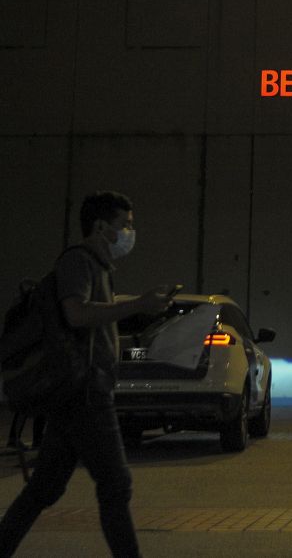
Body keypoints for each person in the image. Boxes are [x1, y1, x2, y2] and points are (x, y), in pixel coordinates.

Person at [0, 191, 175, 558]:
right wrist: (136, 304)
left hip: (77, 393)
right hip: (85, 393)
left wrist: (143, 308)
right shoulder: (79, 262)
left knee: (44, 489)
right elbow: (76, 314)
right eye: (124, 224)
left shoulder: (98, 267)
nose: (130, 232)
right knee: (115, 486)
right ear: (100, 227)